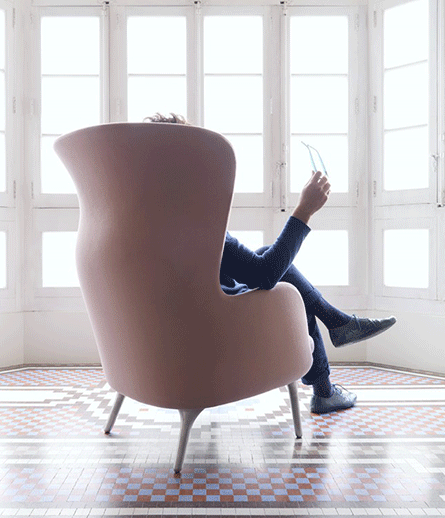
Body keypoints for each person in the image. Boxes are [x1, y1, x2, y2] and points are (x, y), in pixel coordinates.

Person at [145, 113, 396, 414]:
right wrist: (304, 210)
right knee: (285, 284)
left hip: (172, 331)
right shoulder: (197, 224)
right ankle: (330, 367)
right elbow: (264, 275)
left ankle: (337, 330)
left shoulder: (148, 219)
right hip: (216, 327)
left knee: (270, 258)